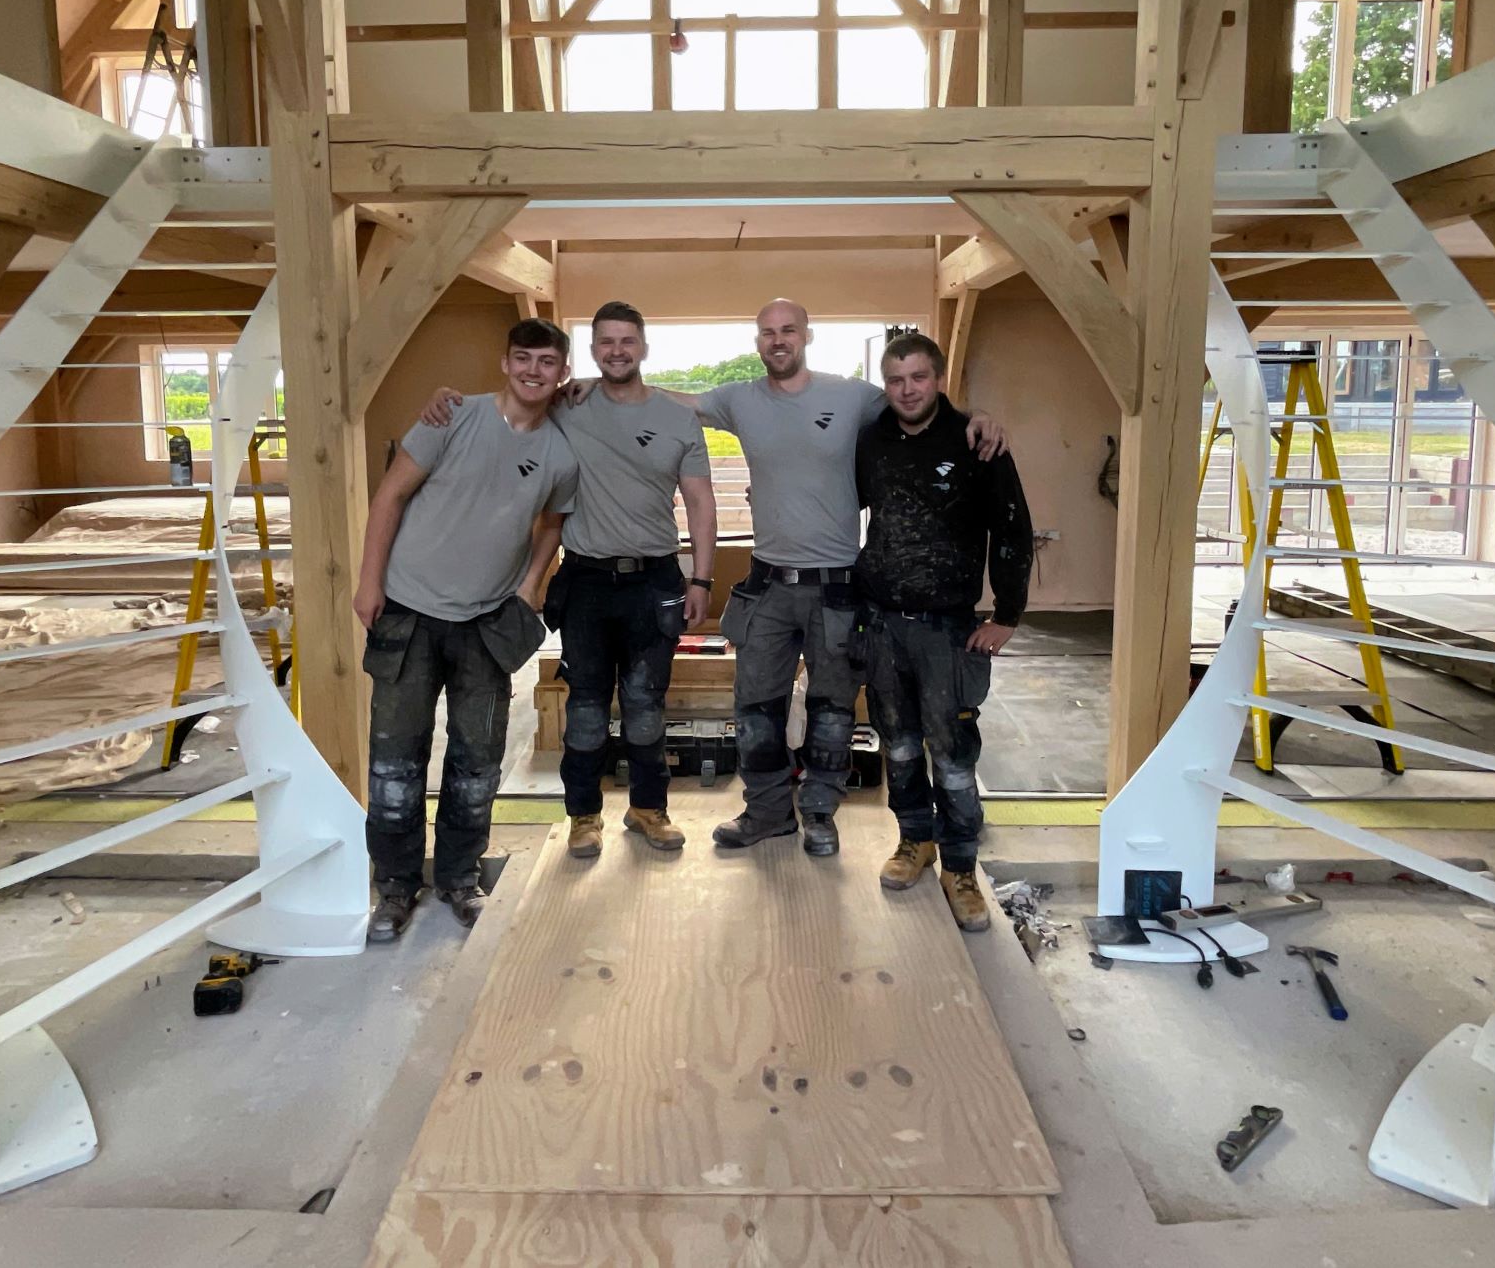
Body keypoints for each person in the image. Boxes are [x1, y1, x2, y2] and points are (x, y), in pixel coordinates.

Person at [642, 300, 1005, 858]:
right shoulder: (737, 399)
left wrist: (977, 414)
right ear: (757, 341)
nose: (778, 339)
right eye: (768, 332)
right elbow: (678, 402)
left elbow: (919, 403)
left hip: (837, 587)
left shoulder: (851, 396)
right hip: (766, 585)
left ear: (806, 336)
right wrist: (601, 385)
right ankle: (767, 813)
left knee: (833, 711)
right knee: (755, 707)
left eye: (788, 330)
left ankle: (818, 814)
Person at [420, 303, 717, 860]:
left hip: (654, 581)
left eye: (627, 341)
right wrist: (445, 398)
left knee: (645, 706)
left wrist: (701, 578)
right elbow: (515, 398)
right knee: (584, 711)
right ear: (592, 350)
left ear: (644, 347)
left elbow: (700, 500)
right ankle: (583, 816)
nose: (617, 351)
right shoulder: (566, 405)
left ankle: (649, 809)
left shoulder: (677, 419)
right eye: (606, 342)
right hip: (585, 581)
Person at [352, 319, 578, 942]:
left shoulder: (560, 453)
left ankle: (458, 877)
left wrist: (529, 589)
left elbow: (552, 524)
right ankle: (395, 886)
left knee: (477, 762)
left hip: (487, 621)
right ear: (505, 363)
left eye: (547, 362)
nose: (534, 371)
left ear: (562, 372)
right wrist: (370, 582)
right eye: (523, 358)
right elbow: (390, 496)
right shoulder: (450, 416)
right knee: (395, 763)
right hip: (409, 609)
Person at [854, 332, 1033, 933]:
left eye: (918, 377)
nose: (907, 390)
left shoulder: (976, 442)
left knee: (953, 755)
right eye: (896, 379)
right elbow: (844, 502)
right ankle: (915, 840)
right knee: (899, 745)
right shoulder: (872, 440)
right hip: (883, 624)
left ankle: (960, 866)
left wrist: (1007, 614)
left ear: (937, 380)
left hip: (947, 630)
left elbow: (1012, 528)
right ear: (886, 384)